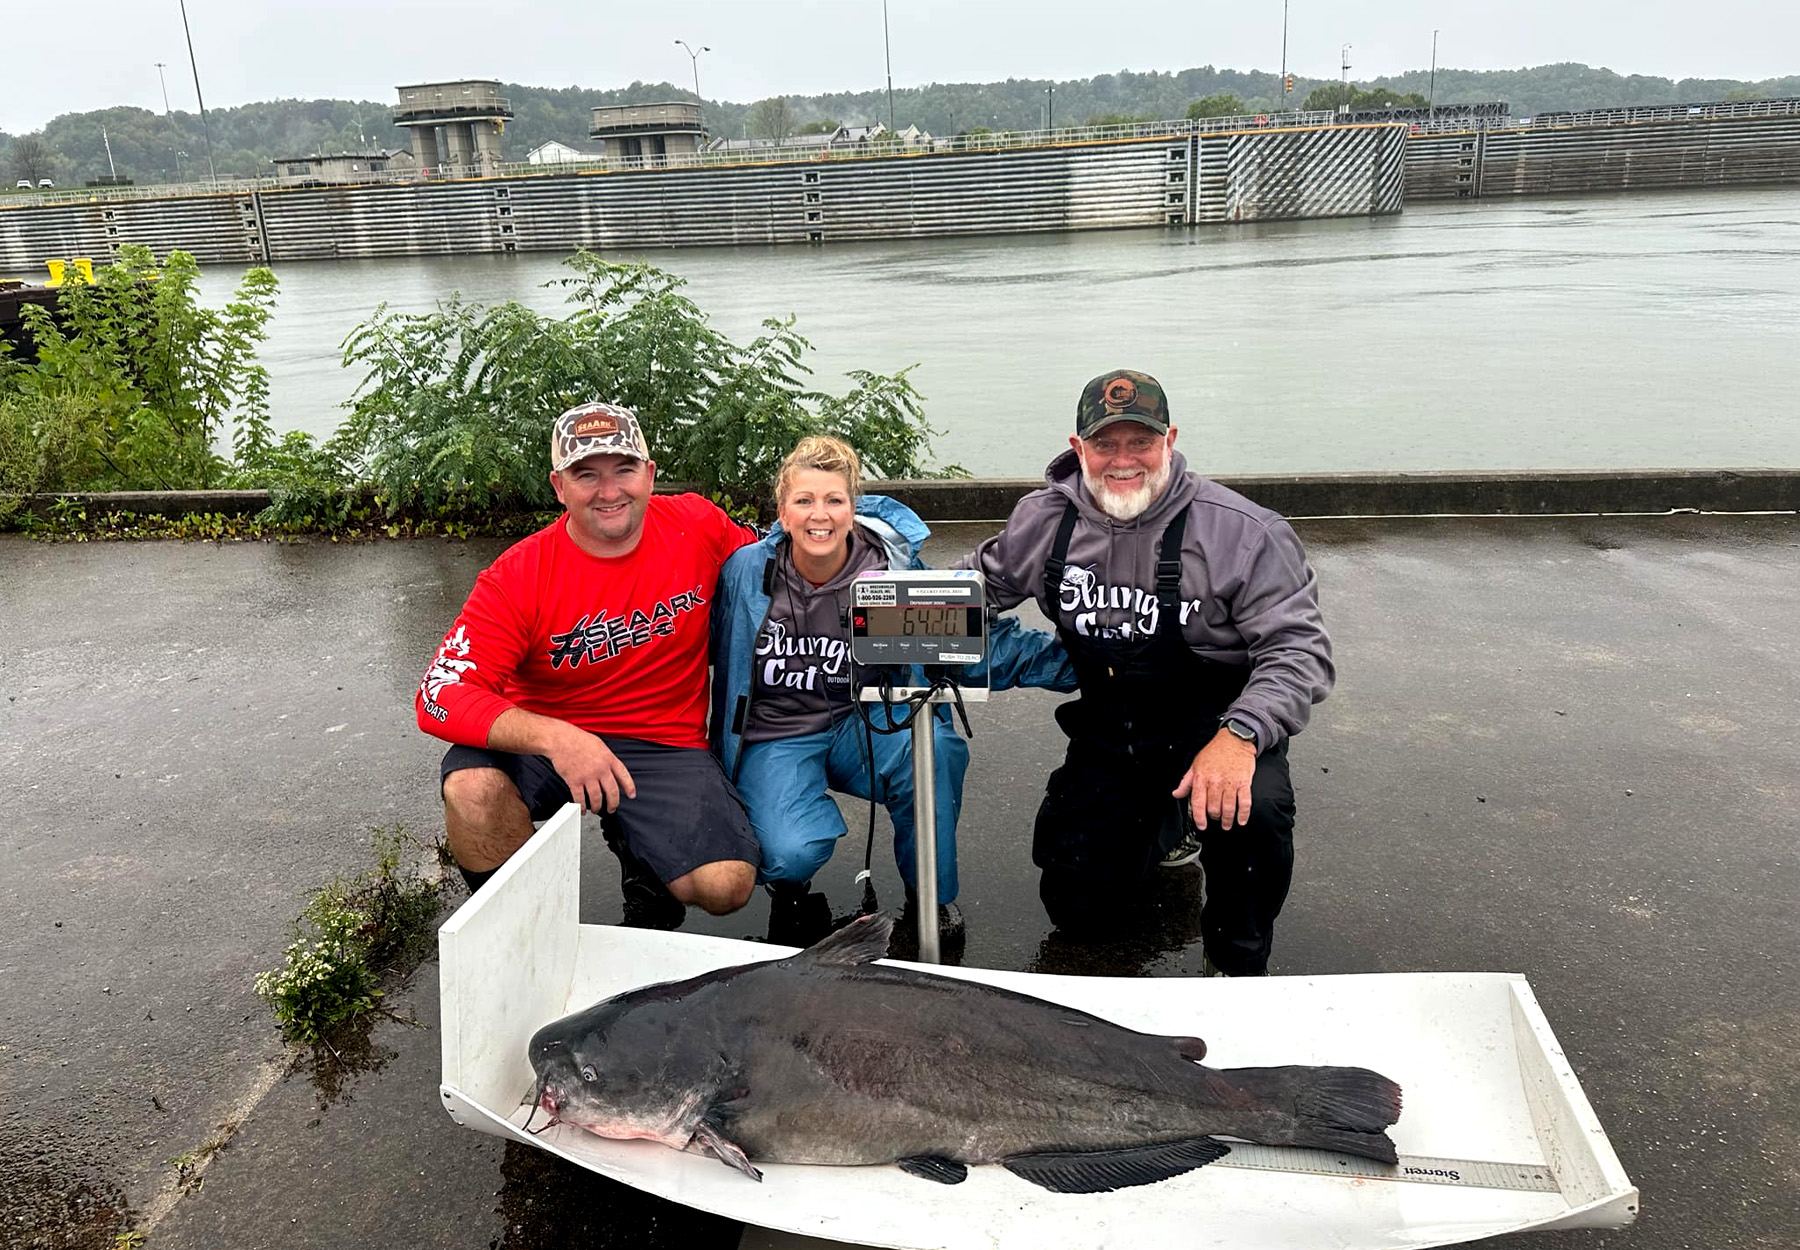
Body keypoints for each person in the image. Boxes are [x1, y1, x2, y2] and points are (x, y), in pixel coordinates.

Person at [960, 370, 1334, 976]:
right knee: (1078, 910)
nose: (1124, 460)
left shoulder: (1244, 532)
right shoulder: (1044, 520)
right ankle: (1167, 822)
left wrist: (1240, 737)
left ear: (1171, 440)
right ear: (1079, 448)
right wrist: (855, 587)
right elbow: (975, 589)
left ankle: (1238, 956)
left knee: (1254, 812)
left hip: (1212, 724)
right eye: (1106, 444)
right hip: (1110, 727)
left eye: (1142, 442)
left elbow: (1298, 652)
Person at [711, 435, 1074, 947]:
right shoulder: (745, 573)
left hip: (865, 720)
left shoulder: (886, 572)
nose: (820, 514)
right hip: (777, 734)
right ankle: (791, 879)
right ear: (782, 512)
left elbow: (966, 641)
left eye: (834, 500)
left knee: (936, 752)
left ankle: (931, 894)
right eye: (804, 500)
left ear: (853, 509)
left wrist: (1084, 665)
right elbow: (687, 643)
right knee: (786, 853)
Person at [416, 400, 760, 929]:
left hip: (663, 742)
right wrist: (559, 739)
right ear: (559, 486)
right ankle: (523, 928)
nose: (609, 491)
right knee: (473, 791)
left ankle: (639, 850)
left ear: (650, 474)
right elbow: (439, 695)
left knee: (726, 885)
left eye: (624, 470)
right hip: (549, 744)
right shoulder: (519, 576)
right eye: (586, 475)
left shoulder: (697, 524)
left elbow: (778, 566)